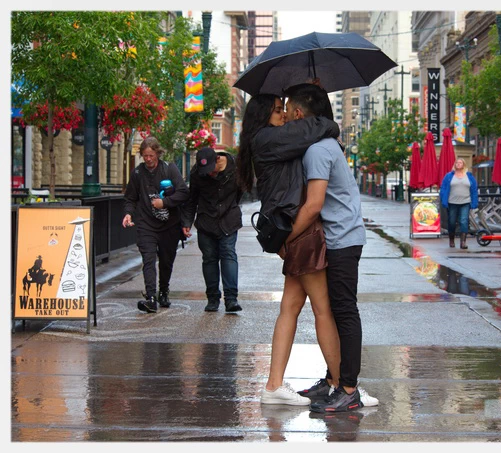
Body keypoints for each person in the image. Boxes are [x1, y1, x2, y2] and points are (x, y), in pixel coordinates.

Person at [236, 93, 343, 406]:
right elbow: (314, 128)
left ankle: (273, 385)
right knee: (324, 310)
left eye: (285, 110)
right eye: (278, 110)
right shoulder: (268, 138)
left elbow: (306, 136)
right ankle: (342, 384)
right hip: (301, 231)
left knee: (291, 307)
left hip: (292, 229)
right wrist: (324, 117)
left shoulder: (267, 139)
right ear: (263, 115)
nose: (284, 116)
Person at [277, 83, 375, 413]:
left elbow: (314, 205)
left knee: (344, 311)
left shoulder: (319, 150)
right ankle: (334, 379)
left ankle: (348, 388)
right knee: (332, 311)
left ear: (299, 114)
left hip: (342, 239)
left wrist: (285, 238)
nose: (286, 115)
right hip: (336, 237)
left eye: (288, 109)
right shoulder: (322, 145)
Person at [122, 137, 189, 313]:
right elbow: (130, 197)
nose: (148, 159)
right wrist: (128, 213)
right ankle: (151, 297)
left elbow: (183, 193)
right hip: (146, 224)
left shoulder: (170, 169)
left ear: (157, 153)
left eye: (151, 155)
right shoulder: (137, 173)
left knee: (166, 261)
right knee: (149, 260)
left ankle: (164, 291)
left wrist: (165, 202)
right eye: (145, 156)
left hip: (169, 224)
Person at [181, 147, 243, 313]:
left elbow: (240, 192)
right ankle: (213, 298)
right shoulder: (197, 173)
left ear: (217, 160)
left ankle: (231, 299)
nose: (209, 174)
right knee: (209, 259)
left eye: (210, 170)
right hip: (206, 221)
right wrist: (187, 221)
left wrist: (231, 207)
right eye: (205, 171)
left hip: (228, 220)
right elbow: (192, 199)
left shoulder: (235, 168)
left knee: (228, 254)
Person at [439, 158, 478, 249]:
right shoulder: (449, 176)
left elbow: (474, 190)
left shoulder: (469, 176)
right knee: (452, 222)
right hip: (452, 202)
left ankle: (463, 242)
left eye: (460, 162)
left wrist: (474, 202)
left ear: (463, 165)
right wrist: (443, 198)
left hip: (465, 202)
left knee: (464, 221)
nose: (458, 164)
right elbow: (443, 188)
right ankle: (451, 240)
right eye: (457, 162)